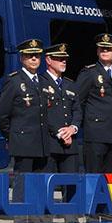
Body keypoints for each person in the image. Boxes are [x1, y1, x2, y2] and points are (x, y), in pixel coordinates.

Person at [0, 38, 54, 175]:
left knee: (39, 186)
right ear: (22, 58)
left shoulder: (43, 81)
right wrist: (12, 136)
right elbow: (2, 113)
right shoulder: (14, 81)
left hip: (41, 143)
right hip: (23, 143)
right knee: (23, 185)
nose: (34, 59)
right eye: (29, 56)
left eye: (37, 56)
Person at [74, 33, 112, 173]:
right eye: (102, 49)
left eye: (108, 49)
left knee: (111, 178)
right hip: (96, 134)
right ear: (97, 51)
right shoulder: (89, 72)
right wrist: (87, 121)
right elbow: (78, 101)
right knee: (94, 177)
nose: (105, 51)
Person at [42, 42, 80, 173]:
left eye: (65, 59)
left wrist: (72, 128)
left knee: (71, 185)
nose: (63, 61)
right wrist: (60, 133)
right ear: (48, 60)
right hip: (50, 143)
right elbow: (42, 113)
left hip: (70, 143)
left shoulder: (70, 84)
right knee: (46, 185)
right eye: (59, 58)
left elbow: (77, 110)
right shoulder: (41, 82)